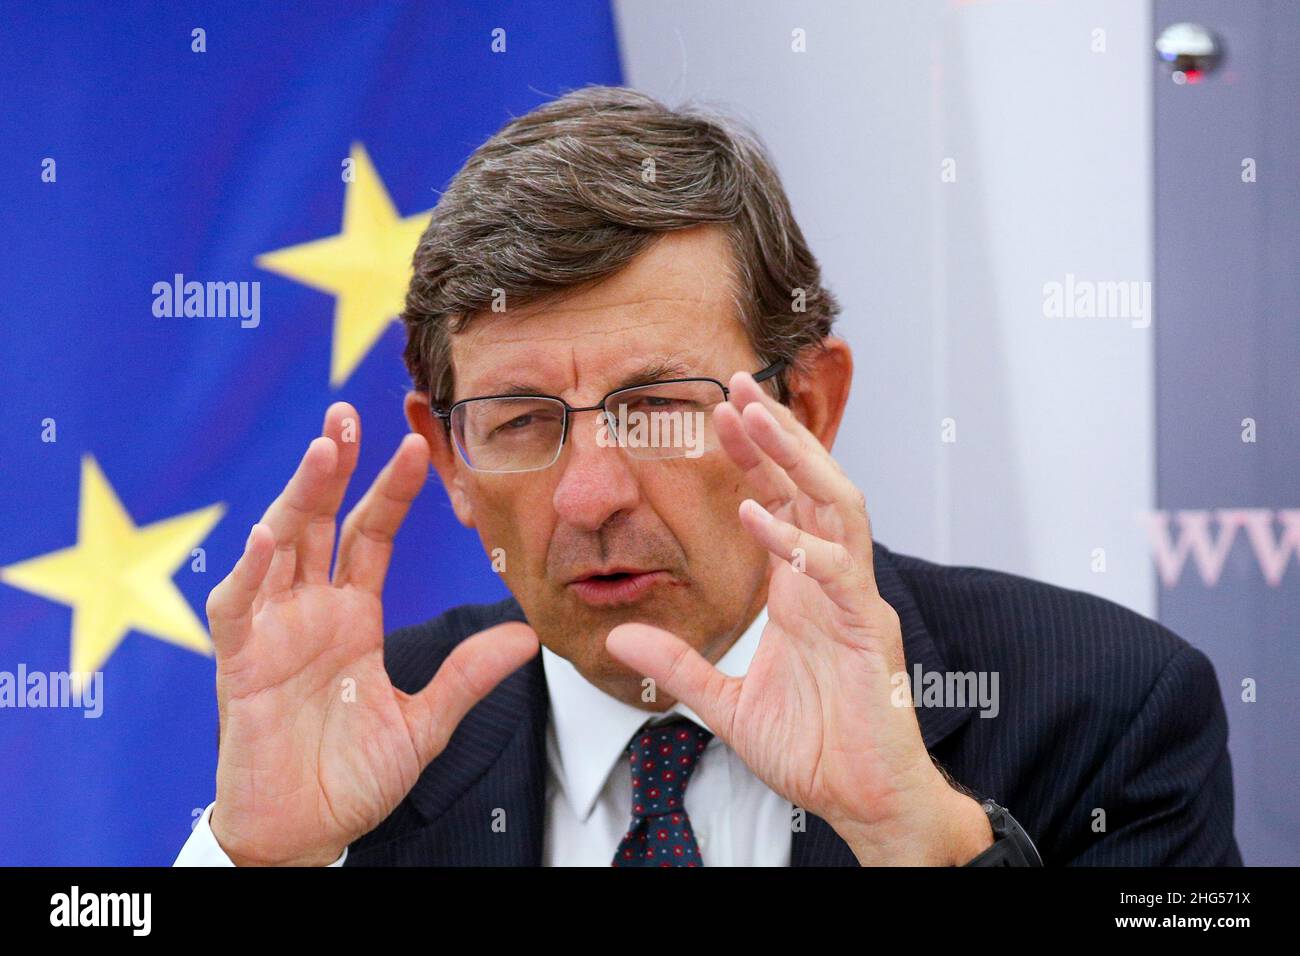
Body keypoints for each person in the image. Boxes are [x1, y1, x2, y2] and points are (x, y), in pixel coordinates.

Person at [174, 86, 1241, 867]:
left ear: (808, 407)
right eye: (522, 420)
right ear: (449, 454)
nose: (592, 496)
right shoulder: (370, 731)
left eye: (657, 409)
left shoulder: (1105, 704)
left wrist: (921, 841)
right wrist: (256, 863)